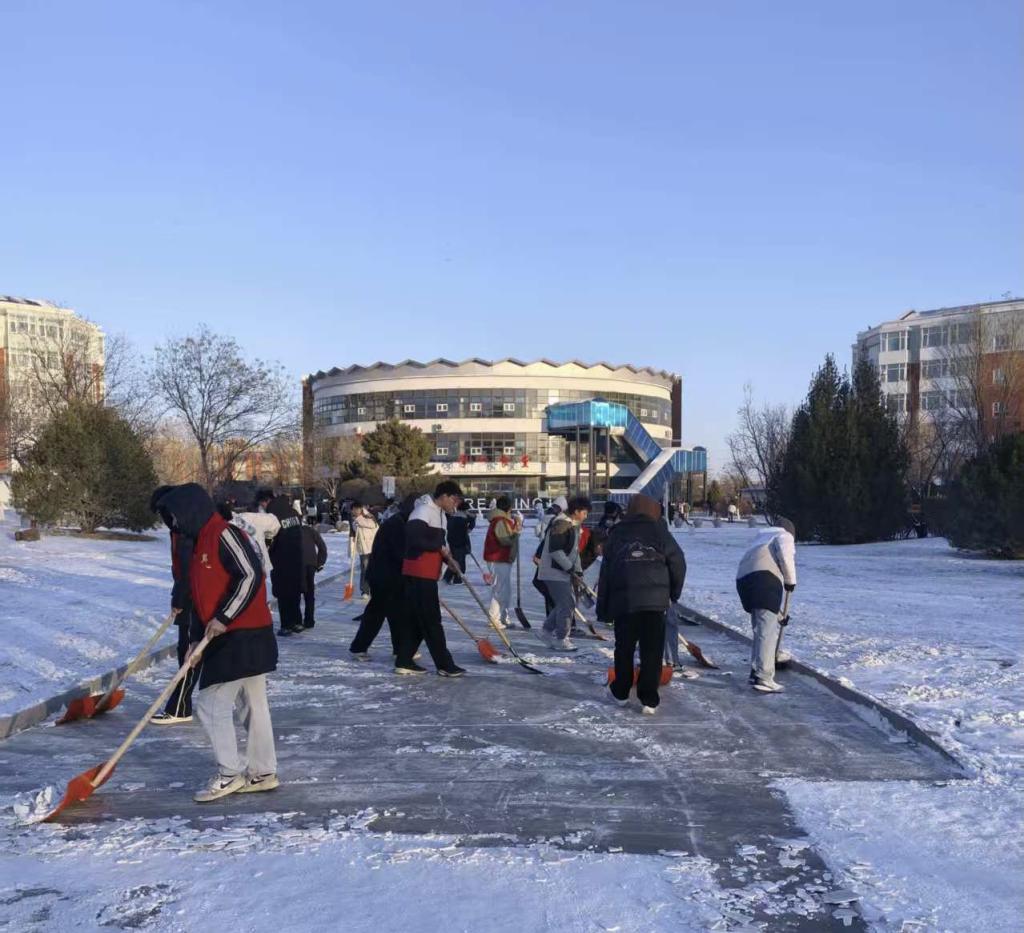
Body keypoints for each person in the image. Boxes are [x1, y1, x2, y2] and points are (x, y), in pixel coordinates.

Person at [153, 483, 279, 802]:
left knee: (210, 704)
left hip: (244, 634)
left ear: (190, 510)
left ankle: (230, 774)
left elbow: (250, 575)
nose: (174, 523)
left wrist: (224, 617)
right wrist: (195, 641)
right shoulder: (199, 542)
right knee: (252, 705)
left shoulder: (224, 533)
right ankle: (262, 772)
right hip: (229, 634)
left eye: (175, 516)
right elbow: (201, 599)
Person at [598, 493, 686, 715]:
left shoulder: (617, 533)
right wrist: (673, 593)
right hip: (655, 603)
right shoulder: (660, 531)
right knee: (652, 650)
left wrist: (603, 607)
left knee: (624, 648)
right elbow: (678, 562)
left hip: (624, 600)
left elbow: (606, 571)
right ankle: (649, 698)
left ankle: (621, 691)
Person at [396, 480, 465, 677]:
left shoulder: (441, 515)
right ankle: (444, 664)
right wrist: (439, 547)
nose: (455, 504)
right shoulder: (422, 511)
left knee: (419, 621)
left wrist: (449, 560)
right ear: (444, 496)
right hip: (418, 572)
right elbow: (414, 538)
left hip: (429, 573)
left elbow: (440, 544)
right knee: (432, 620)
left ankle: (404, 660)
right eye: (454, 500)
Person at [148, 486, 199, 725]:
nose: (164, 518)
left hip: (194, 600)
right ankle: (182, 706)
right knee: (187, 652)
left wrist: (179, 600)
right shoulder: (180, 529)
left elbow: (188, 573)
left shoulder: (187, 531)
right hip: (188, 597)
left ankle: (180, 708)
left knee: (189, 655)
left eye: (164, 512)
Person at [350, 494, 417, 660]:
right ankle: (359, 647)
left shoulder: (401, 522)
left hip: (390, 575)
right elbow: (400, 553)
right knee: (376, 613)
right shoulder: (397, 525)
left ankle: (399, 649)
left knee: (397, 613)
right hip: (383, 576)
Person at [735, 518, 797, 693]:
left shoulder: (760, 539)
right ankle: (764, 677)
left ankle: (755, 672)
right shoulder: (784, 535)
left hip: (744, 582)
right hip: (764, 580)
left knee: (761, 628)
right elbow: (785, 556)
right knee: (766, 632)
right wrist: (791, 581)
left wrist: (780, 615)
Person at [537, 495, 590, 651]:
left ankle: (546, 631)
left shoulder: (572, 525)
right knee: (567, 604)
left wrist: (578, 571)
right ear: (576, 511)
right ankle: (561, 638)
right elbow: (555, 551)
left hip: (562, 571)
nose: (586, 516)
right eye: (584, 513)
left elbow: (574, 552)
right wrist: (570, 568)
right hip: (553, 571)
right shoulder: (561, 524)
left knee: (565, 603)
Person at [267, 495, 305, 636]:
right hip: (296, 557)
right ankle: (297, 622)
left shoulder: (274, 517)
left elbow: (271, 540)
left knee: (283, 594)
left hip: (280, 560)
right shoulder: (294, 513)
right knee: (294, 591)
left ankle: (286, 625)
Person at [484, 494, 522, 628]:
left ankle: (503, 616)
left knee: (505, 590)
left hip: (503, 558)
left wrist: (516, 526)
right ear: (508, 508)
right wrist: (516, 531)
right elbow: (505, 540)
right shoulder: (500, 521)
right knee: (499, 589)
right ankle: (494, 618)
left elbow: (509, 536)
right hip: (497, 558)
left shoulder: (503, 520)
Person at [300, 522, 328, 628]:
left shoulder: (289, 531)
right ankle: (309, 620)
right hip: (310, 564)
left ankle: (296, 621)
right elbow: (322, 546)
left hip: (296, 565)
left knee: (295, 593)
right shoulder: (310, 530)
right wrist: (320, 563)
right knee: (309, 593)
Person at [443, 500, 476, 584]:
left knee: (455, 559)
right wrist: (469, 529)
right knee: (459, 561)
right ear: (465, 510)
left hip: (452, 541)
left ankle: (449, 578)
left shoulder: (453, 517)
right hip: (460, 542)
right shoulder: (463, 518)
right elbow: (472, 520)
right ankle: (455, 579)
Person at [351, 503, 378, 599]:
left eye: (356, 509)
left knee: (373, 569)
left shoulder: (369, 517)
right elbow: (353, 533)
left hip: (373, 546)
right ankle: (365, 590)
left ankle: (374, 588)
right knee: (365, 569)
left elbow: (373, 525)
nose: (355, 511)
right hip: (363, 548)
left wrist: (360, 519)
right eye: (353, 510)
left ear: (361, 509)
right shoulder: (354, 521)